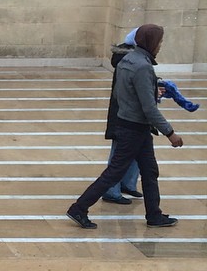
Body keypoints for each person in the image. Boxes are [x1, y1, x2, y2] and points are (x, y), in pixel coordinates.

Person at [67, 24, 184, 229]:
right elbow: (149, 108)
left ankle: (154, 215)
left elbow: (121, 94)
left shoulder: (127, 60)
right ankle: (79, 208)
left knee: (149, 171)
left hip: (129, 124)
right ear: (150, 42)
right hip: (134, 128)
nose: (160, 46)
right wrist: (170, 133)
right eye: (159, 41)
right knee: (114, 172)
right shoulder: (143, 67)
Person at [101, 28, 142, 205]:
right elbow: (130, 90)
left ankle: (127, 183)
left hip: (133, 115)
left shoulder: (134, 60)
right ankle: (111, 190)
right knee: (119, 153)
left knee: (138, 150)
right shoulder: (131, 63)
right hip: (126, 116)